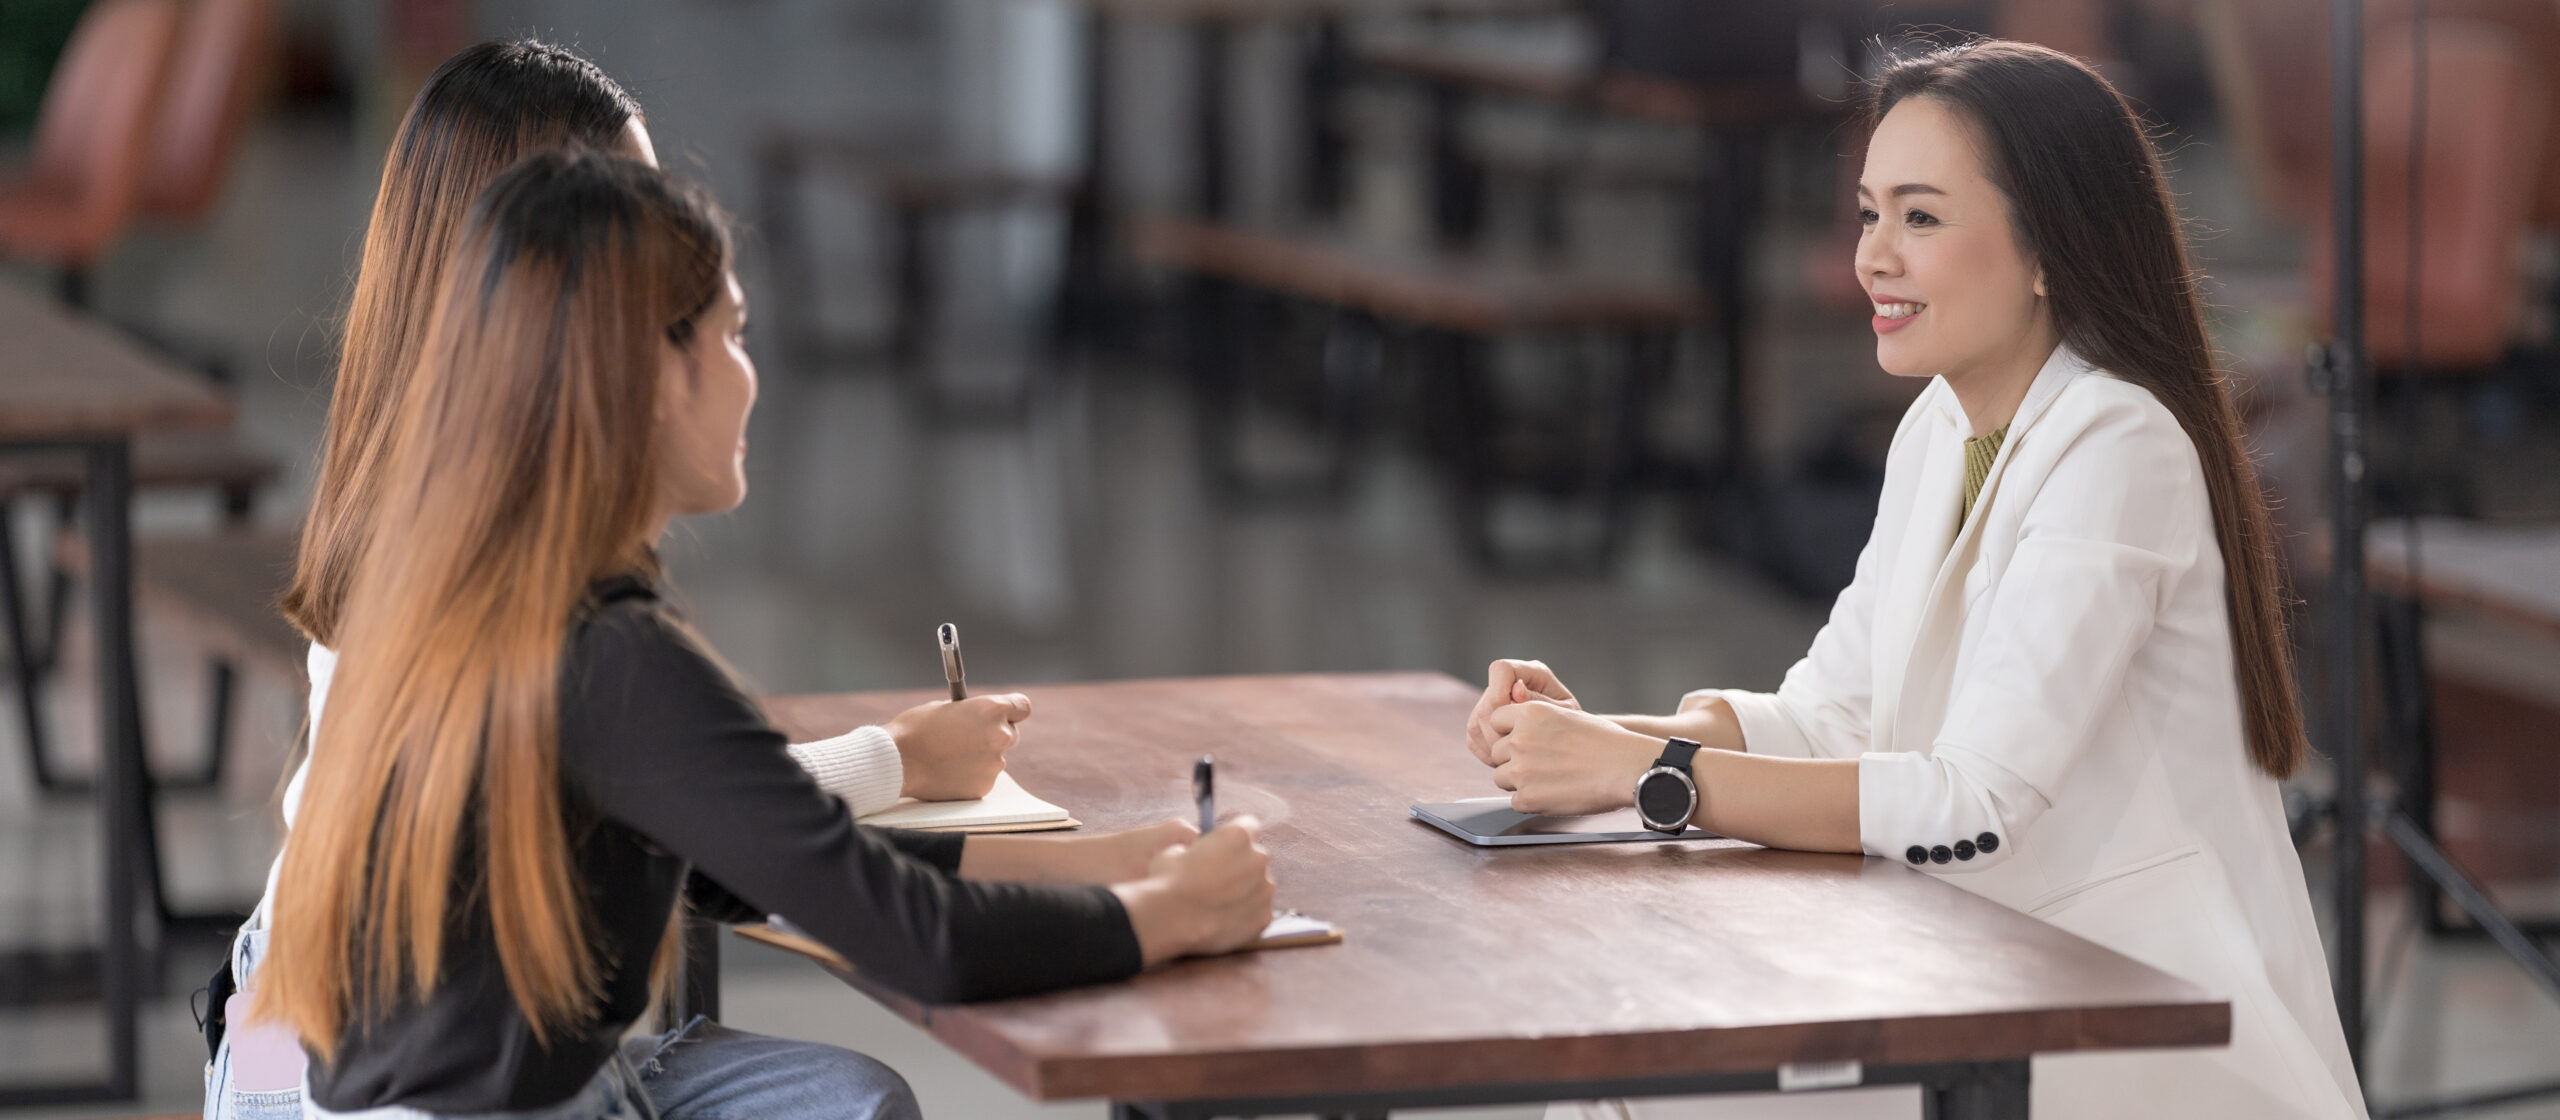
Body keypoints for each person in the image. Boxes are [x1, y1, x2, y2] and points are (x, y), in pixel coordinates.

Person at [247, 150, 1276, 1120]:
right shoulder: (612, 659)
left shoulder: (475, 591)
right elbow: (919, 941)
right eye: (731, 336)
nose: (750, 375)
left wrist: (1103, 865)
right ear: (647, 373)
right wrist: (1170, 918)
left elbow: (751, 860)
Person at [1463, 40, 2363, 1119]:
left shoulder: (2121, 444)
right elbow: (1833, 710)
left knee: (1623, 1088)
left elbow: (1973, 805)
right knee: (1594, 1054)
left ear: (2048, 251)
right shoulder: (1941, 424)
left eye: (1920, 218)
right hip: (1971, 963)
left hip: (2115, 1004)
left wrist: (1644, 773)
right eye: (1866, 213)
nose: (1872, 258)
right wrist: (1599, 736)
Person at [210, 40, 1043, 1117]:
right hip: (371, 1073)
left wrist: (890, 764)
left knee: (850, 1096)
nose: (671, 259)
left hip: (462, 1046)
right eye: (628, 210)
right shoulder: (440, 537)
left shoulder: (484, 487)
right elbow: (672, 791)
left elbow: (631, 782)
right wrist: (891, 765)